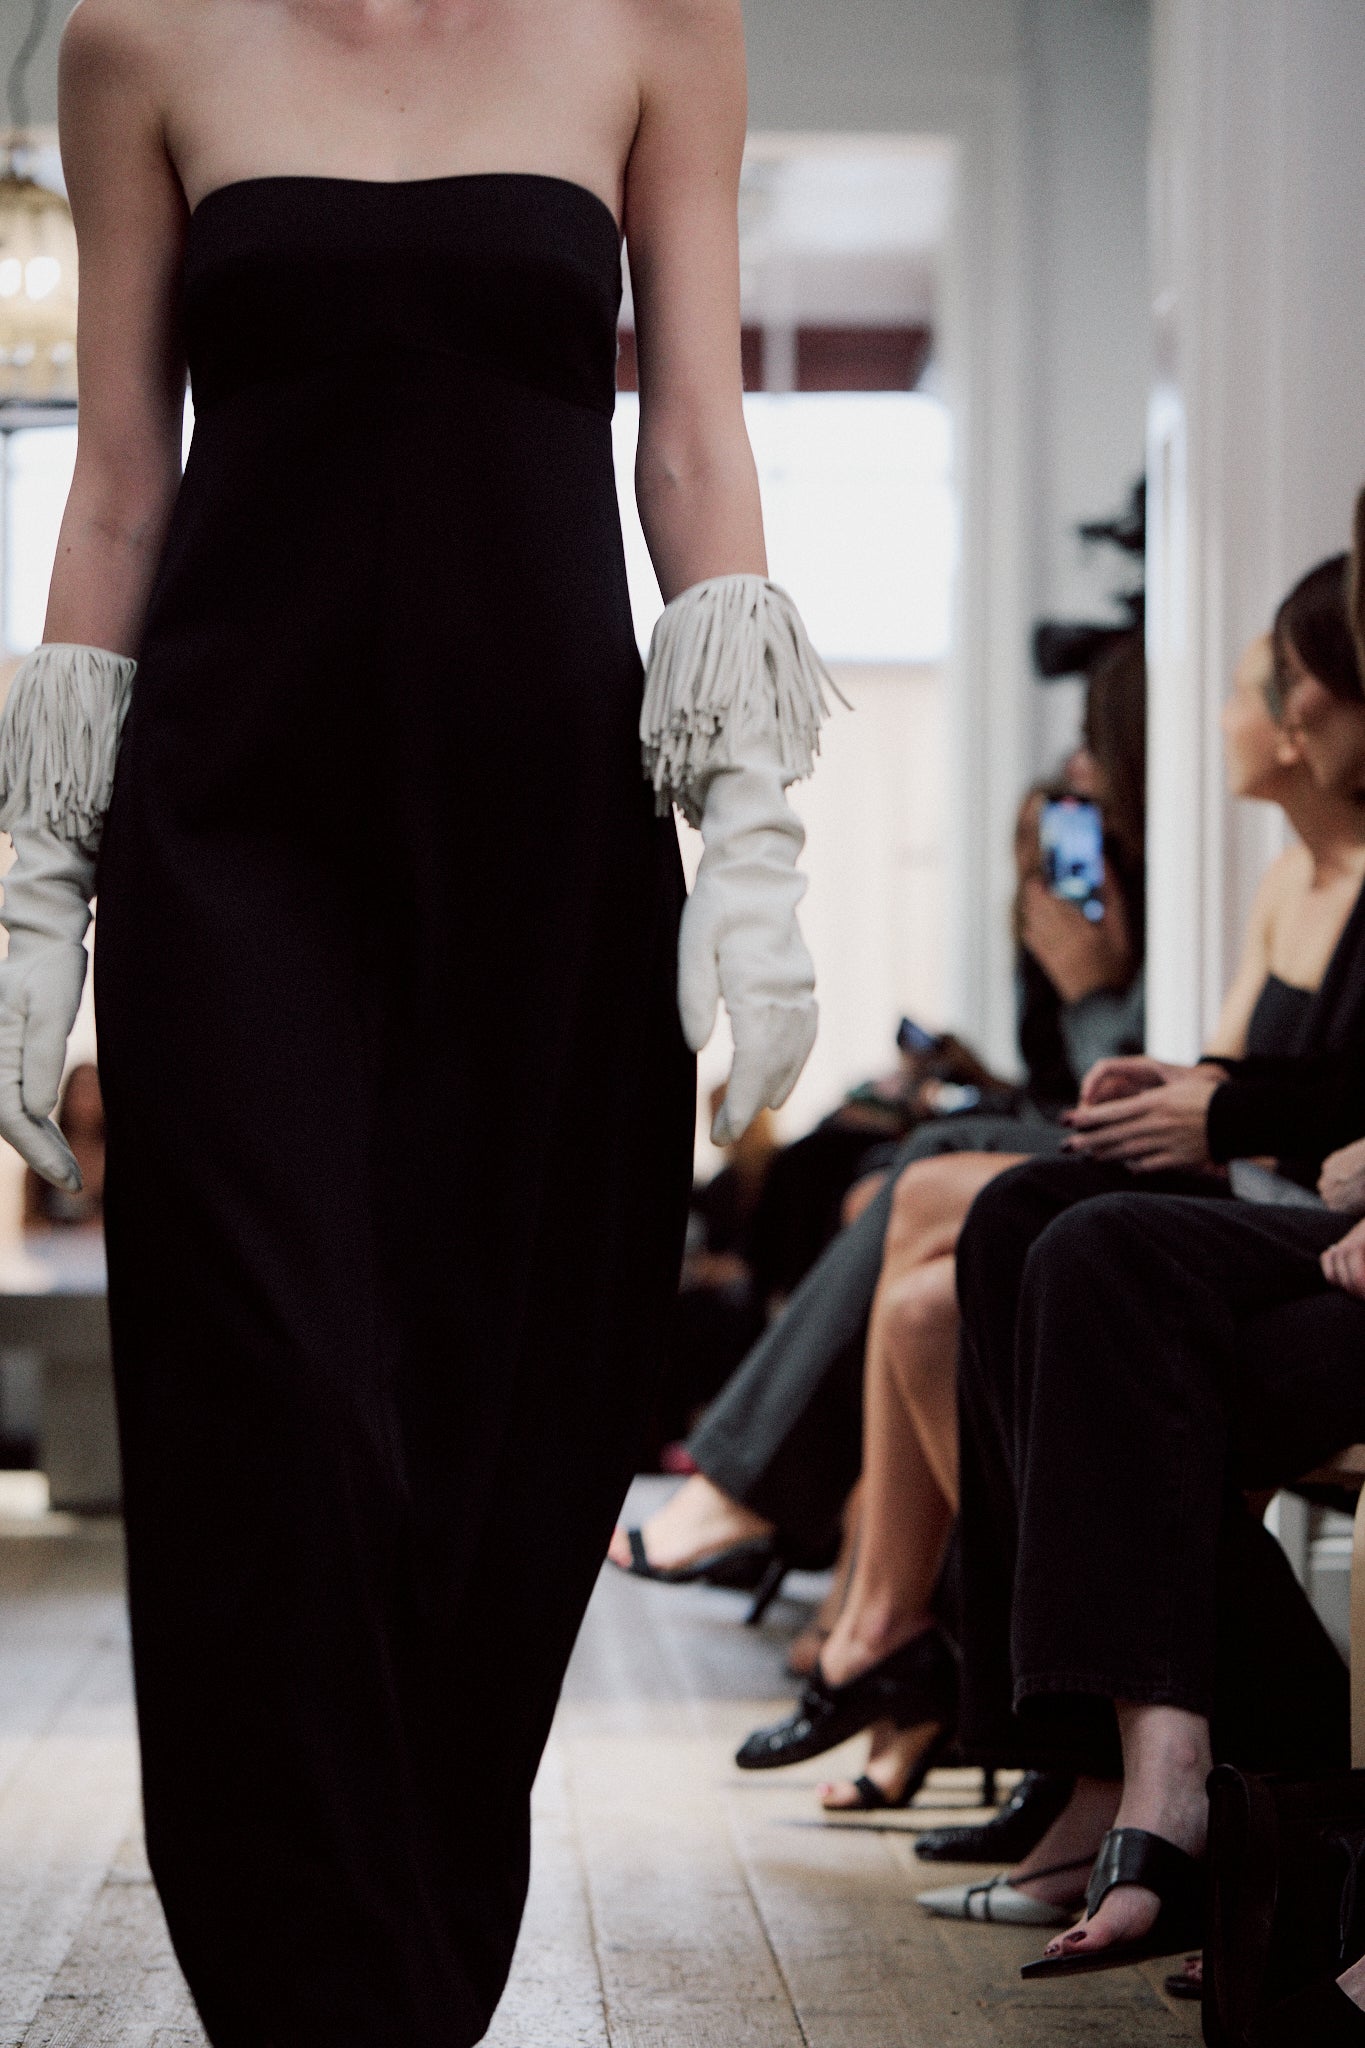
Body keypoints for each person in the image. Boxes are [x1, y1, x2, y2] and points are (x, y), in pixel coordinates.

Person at [0, 5, 833, 2042]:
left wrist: (752, 834)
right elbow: (119, 478)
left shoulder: (653, 24)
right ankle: (323, 2001)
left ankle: (410, 1963)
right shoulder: (135, 43)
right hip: (235, 822)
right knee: (262, 1419)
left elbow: (693, 440)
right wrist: (36, 881)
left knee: (513, 1425)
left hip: (543, 816)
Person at [731, 613, 1365, 1831]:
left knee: (951, 1201)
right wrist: (1126, 1036)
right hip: (1249, 1180)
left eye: (1265, 687)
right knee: (926, 1277)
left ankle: (901, 1630)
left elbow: (1285, 1113)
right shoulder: (1280, 873)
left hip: (1277, 1201)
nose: (1259, 715)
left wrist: (1115, 1015)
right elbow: (1222, 1081)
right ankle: (1032, 1715)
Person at [948, 546, 1365, 1978]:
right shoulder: (1296, 878)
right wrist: (1193, 1084)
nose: (1269, 696)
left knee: (1096, 1272)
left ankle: (1175, 1780)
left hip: (1320, 1225)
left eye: (1286, 669)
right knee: (1023, 1222)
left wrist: (1220, 1102)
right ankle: (1137, 1763)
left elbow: (1323, 1113)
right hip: (1307, 1215)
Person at [610, 635, 1148, 1593]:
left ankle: (772, 1515)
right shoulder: (1114, 890)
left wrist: (1095, 990)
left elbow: (1130, 1095)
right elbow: (1060, 1079)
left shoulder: (1176, 911)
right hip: (1078, 1125)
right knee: (880, 1206)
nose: (1075, 766)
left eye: (1092, 743)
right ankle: (862, 1617)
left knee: (904, 1182)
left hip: (1142, 1155)